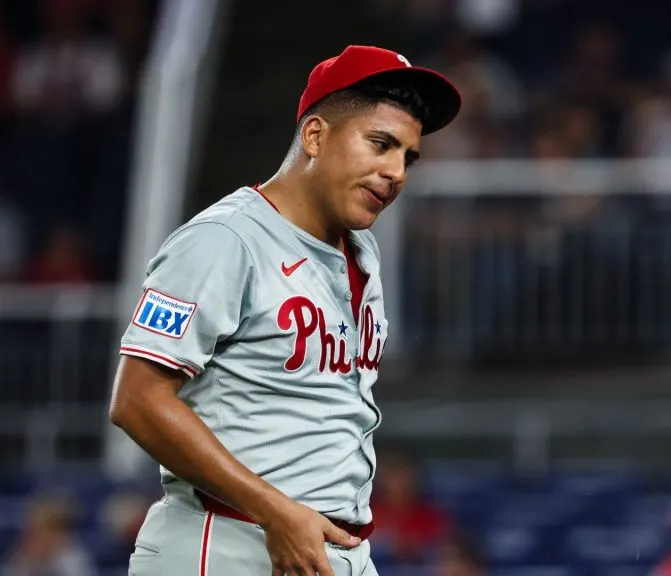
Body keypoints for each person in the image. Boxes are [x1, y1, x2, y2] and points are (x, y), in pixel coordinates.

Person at [108, 45, 460, 576]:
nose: (395, 172)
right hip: (227, 541)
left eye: (407, 157)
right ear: (316, 136)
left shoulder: (362, 250)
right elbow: (136, 400)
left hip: (325, 546)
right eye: (380, 144)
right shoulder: (224, 240)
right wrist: (275, 511)